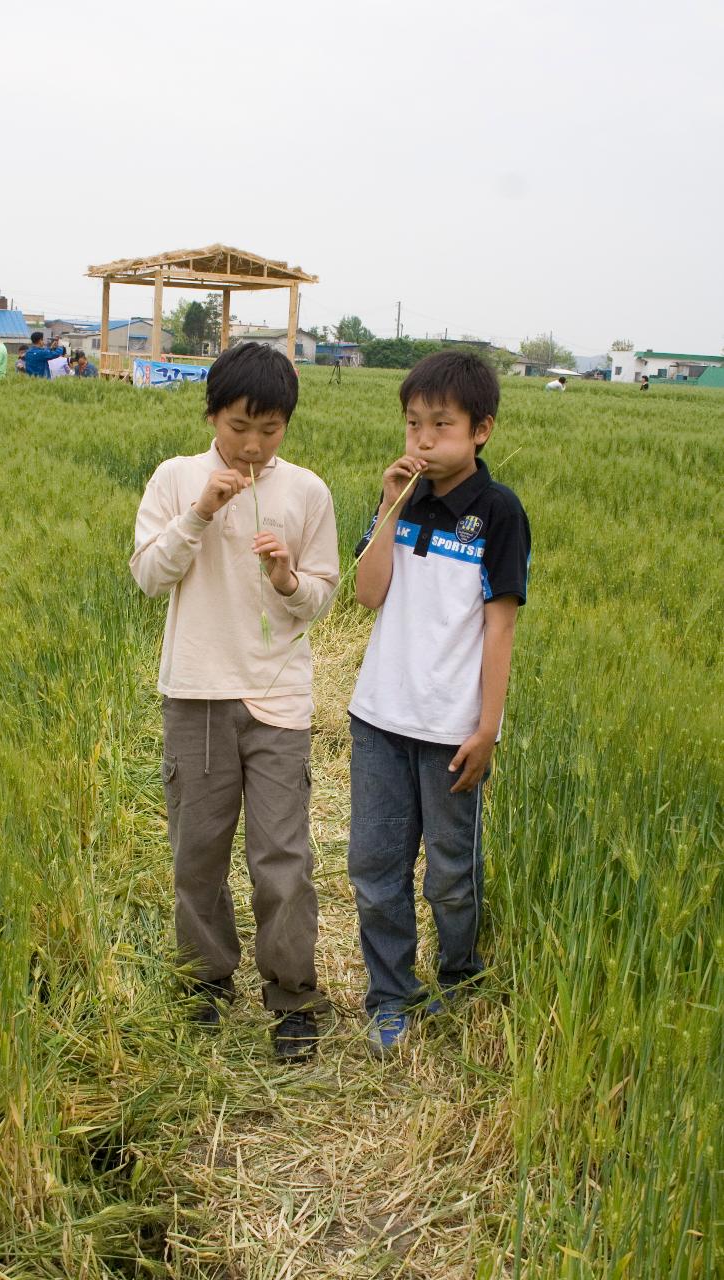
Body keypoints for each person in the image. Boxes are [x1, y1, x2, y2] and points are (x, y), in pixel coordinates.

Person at [129, 342, 339, 1061]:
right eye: (238, 426)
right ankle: (205, 984)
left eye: (269, 429)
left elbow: (319, 598)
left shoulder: (306, 492)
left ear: (287, 425)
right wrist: (197, 515)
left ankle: (291, 997)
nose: (251, 445)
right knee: (198, 854)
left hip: (279, 696)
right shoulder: (174, 477)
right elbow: (149, 578)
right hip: (195, 692)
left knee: (281, 857)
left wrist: (286, 579)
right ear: (212, 412)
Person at [347, 351, 530, 1057]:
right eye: (412, 424)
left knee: (451, 873)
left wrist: (487, 727)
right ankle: (390, 995)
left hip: (451, 729)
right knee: (374, 867)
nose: (421, 440)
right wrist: (388, 506)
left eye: (440, 426)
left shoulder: (497, 512)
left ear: (479, 430)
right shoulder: (402, 500)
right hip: (378, 720)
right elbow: (367, 595)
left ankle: (458, 976)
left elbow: (499, 624)